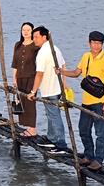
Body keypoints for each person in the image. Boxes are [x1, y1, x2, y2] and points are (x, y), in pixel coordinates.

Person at [58, 31, 104, 171]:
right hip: (86, 101)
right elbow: (77, 73)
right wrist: (61, 72)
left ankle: (98, 160)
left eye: (99, 43)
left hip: (100, 101)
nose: (96, 46)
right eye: (94, 43)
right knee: (83, 129)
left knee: (100, 132)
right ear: (89, 43)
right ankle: (89, 155)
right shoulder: (86, 56)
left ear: (102, 44)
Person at [26, 26, 69, 155]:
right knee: (51, 115)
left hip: (50, 89)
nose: (34, 40)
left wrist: (33, 92)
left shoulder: (43, 53)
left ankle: (60, 143)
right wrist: (64, 84)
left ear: (44, 37)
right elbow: (63, 66)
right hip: (56, 88)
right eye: (33, 37)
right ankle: (51, 138)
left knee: (54, 116)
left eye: (36, 37)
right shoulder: (55, 49)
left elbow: (39, 74)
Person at [11, 22, 39, 137]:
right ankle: (27, 127)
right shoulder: (18, 45)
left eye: (28, 30)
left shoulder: (36, 46)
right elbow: (15, 63)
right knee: (21, 101)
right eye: (24, 30)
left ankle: (32, 129)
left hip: (31, 77)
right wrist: (14, 78)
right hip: (20, 77)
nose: (26, 32)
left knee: (30, 103)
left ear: (32, 31)